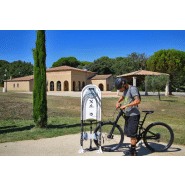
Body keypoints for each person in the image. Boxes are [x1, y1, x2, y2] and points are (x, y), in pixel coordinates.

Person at [115, 77, 141, 156]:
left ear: (124, 84)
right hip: (128, 115)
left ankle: (132, 152)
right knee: (129, 133)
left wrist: (125, 106)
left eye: (121, 88)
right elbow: (122, 96)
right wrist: (118, 101)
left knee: (132, 135)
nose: (121, 89)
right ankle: (134, 149)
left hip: (134, 115)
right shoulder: (125, 90)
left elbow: (137, 101)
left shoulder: (132, 89)